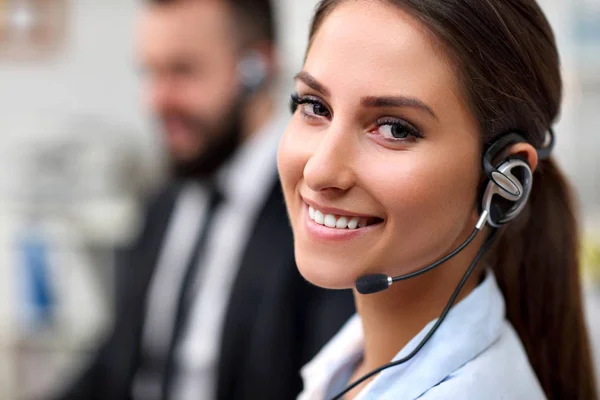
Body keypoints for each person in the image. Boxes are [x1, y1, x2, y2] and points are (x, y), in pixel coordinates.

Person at [277, 0, 598, 399]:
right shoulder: (356, 365)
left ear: (506, 180)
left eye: (395, 129)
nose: (319, 171)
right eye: (314, 106)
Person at [56, 0, 354, 399]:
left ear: (256, 69)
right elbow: (116, 360)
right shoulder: (164, 203)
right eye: (150, 72)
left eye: (182, 71)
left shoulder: (319, 218)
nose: (156, 100)